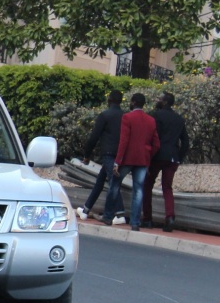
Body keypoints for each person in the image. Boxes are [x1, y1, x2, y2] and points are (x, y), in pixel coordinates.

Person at [109, 92, 159, 231]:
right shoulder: (151, 120)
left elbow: (123, 141)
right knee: (138, 190)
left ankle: (108, 215)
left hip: (127, 159)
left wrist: (118, 161)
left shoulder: (127, 117)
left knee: (114, 184)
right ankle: (135, 222)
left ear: (133, 102)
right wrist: (148, 155)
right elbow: (156, 144)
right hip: (143, 160)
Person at [142, 91, 189, 232]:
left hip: (157, 156)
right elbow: (185, 142)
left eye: (159, 99)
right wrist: (179, 157)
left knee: (147, 185)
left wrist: (148, 156)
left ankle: (147, 219)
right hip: (173, 157)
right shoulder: (179, 119)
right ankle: (170, 217)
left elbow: (152, 137)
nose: (157, 100)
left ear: (165, 102)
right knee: (167, 188)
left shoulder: (156, 116)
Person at [77, 90, 125, 224]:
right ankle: (85, 210)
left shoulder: (105, 115)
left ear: (109, 100)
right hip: (120, 154)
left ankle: (120, 214)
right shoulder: (125, 116)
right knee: (100, 181)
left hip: (108, 153)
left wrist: (87, 155)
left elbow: (94, 137)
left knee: (113, 183)